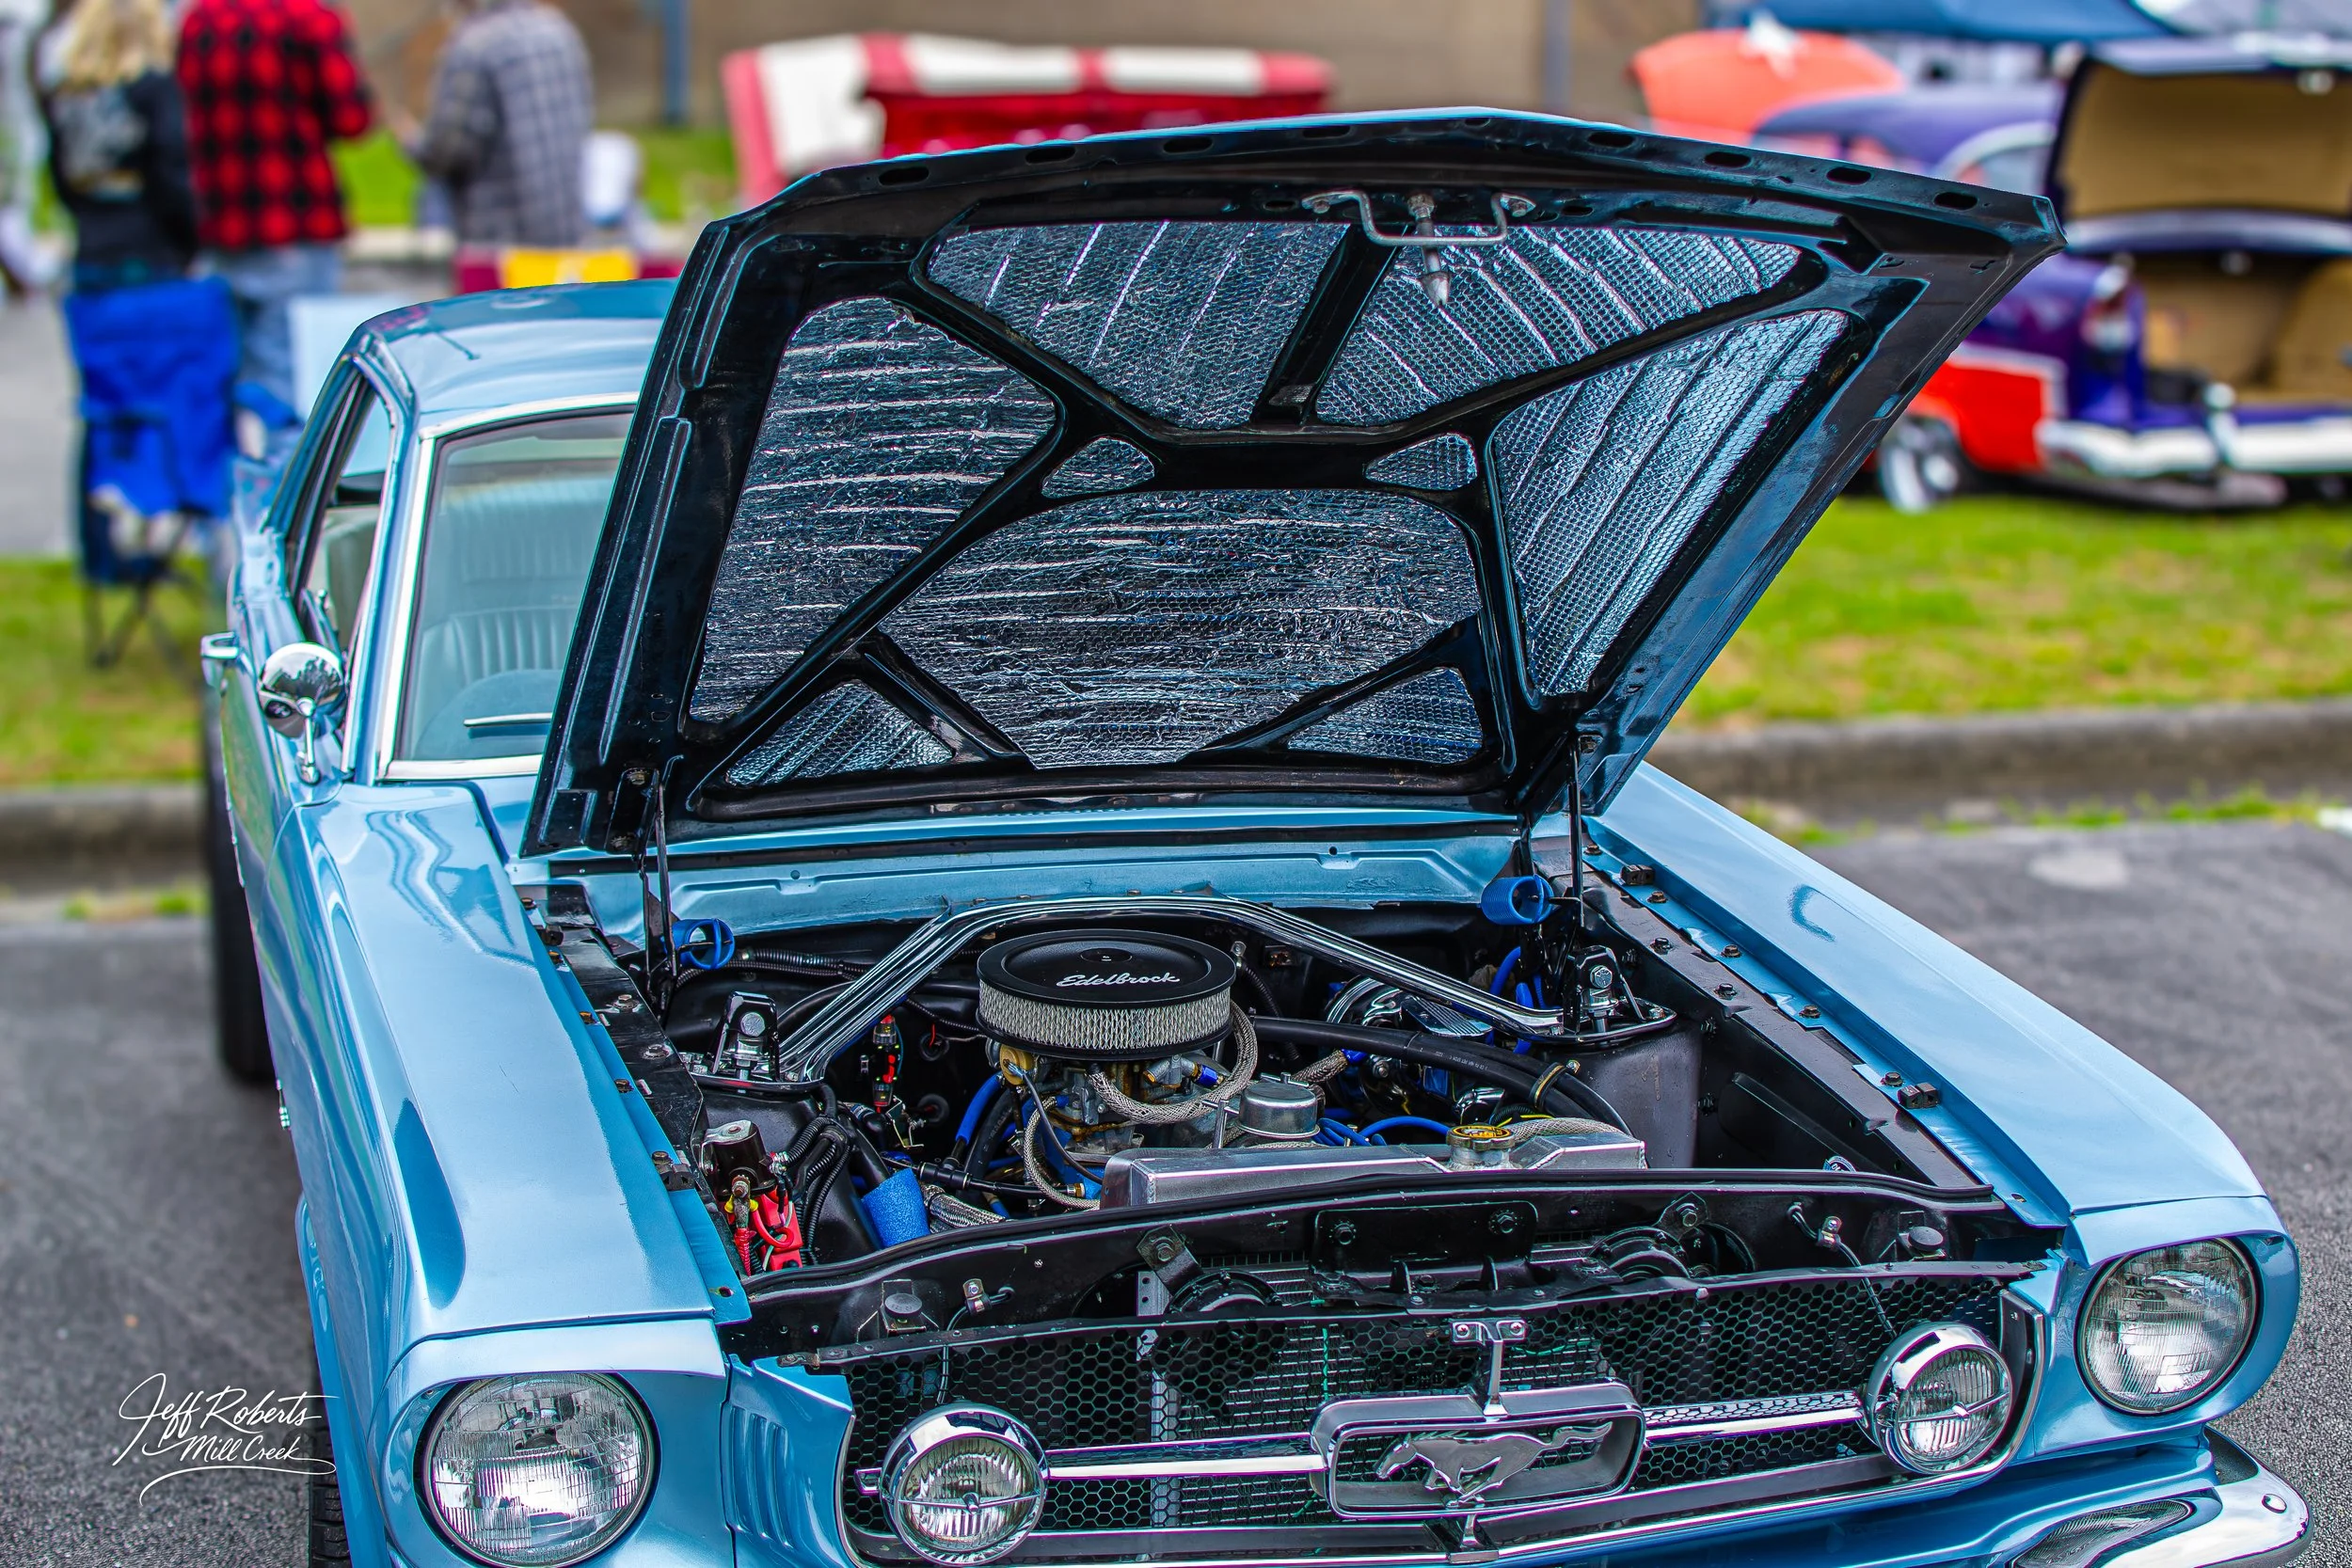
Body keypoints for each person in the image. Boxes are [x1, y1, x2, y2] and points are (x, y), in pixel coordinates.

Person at [176, 0, 371, 415]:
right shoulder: (308, 19)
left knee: (232, 379)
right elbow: (352, 118)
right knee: (296, 383)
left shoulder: (198, 22)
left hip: (221, 220)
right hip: (296, 217)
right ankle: (285, 475)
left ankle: (246, 473)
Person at [401, 0, 590, 249]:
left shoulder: (474, 46)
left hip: (497, 245)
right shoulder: (561, 33)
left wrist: (411, 140)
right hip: (566, 237)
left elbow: (448, 151)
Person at [38, 0, 195, 291]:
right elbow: (170, 172)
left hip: (91, 249)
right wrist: (189, 242)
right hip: (150, 247)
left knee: (100, 336)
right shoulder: (153, 87)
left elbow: (61, 179)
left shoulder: (67, 93)